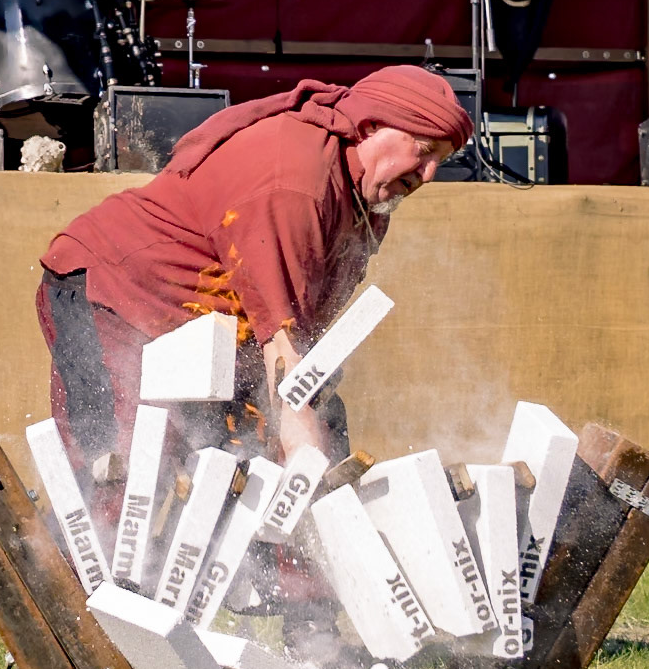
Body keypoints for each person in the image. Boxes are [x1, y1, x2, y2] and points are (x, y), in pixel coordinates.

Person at [36, 64, 473, 525]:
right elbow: (285, 353)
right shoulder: (294, 179)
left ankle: (298, 588)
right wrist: (304, 467)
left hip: (214, 333)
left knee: (277, 451)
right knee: (125, 475)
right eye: (423, 152)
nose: (428, 174)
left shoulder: (364, 194)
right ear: (369, 127)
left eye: (438, 161)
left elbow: (302, 342)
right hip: (114, 296)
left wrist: (308, 456)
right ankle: (64, 585)